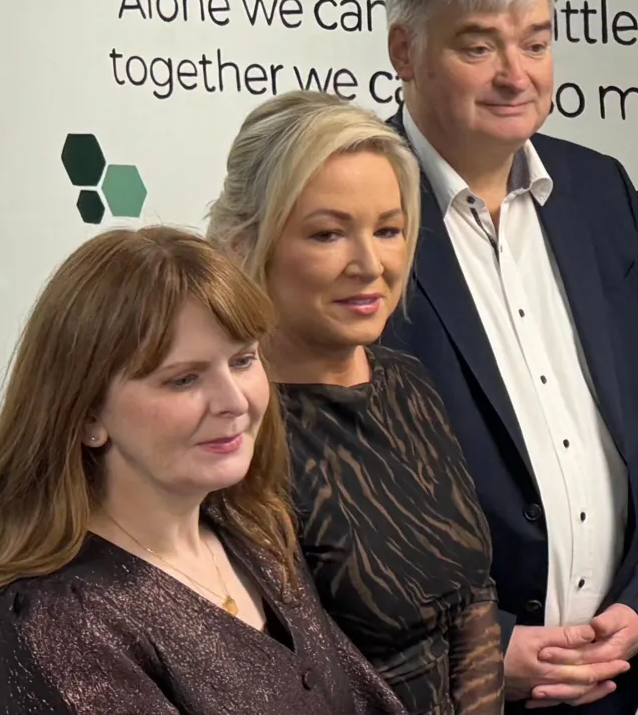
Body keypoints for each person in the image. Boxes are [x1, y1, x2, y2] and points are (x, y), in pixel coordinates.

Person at [375, 0, 638, 714]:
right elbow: (332, 490)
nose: (516, 74)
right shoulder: (354, 213)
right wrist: (477, 646)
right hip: (452, 691)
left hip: (607, 676)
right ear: (405, 53)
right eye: (479, 46)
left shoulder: (598, 191)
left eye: (536, 40)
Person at [0, 225, 407, 715]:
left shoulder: (252, 534)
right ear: (87, 415)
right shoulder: (50, 628)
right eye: (184, 379)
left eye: (242, 361)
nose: (234, 402)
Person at [207, 90, 504, 714]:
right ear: (243, 247)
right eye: (328, 234)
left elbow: (473, 600)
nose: (370, 264)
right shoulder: (230, 433)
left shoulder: (407, 382)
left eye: (389, 230)